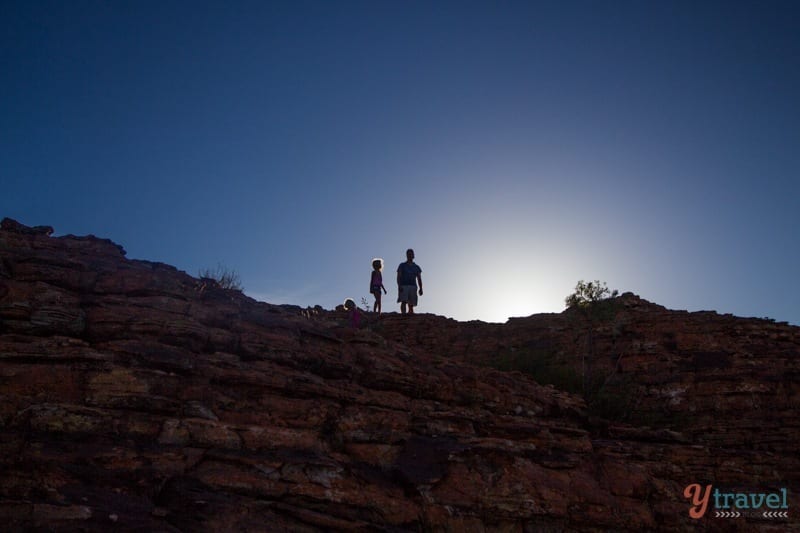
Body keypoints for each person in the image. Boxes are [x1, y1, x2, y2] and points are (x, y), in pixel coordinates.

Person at [396, 248, 423, 315]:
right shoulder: (402, 265)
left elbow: (419, 278)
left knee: (411, 304)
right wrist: (399, 285)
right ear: (406, 255)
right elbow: (399, 276)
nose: (410, 255)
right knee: (403, 301)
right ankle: (403, 316)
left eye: (411, 254)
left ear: (413, 255)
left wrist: (421, 288)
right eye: (408, 254)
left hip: (413, 286)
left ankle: (410, 317)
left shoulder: (416, 267)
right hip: (404, 285)